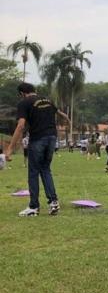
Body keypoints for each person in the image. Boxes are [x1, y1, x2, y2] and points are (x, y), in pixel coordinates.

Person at [4, 82, 70, 216]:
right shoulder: (47, 100)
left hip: (38, 139)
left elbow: (21, 125)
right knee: (45, 169)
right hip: (52, 138)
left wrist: (10, 148)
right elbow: (61, 114)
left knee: (33, 172)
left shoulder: (24, 103)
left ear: (22, 93)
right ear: (34, 90)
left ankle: (33, 207)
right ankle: (53, 202)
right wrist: (68, 121)